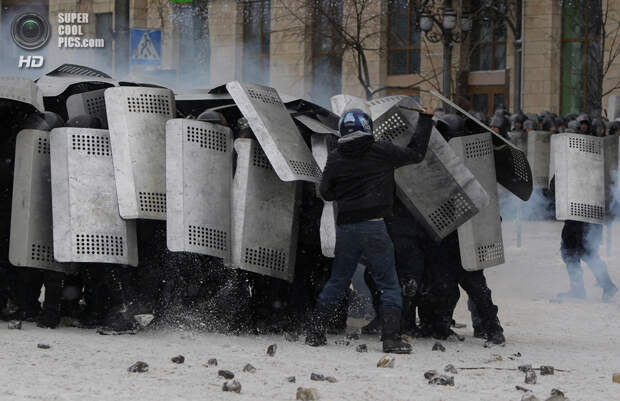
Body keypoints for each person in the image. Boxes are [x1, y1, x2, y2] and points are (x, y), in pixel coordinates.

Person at [305, 107, 433, 354]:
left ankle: (315, 330)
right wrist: (425, 120)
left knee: (338, 280)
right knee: (388, 283)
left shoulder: (336, 156)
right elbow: (416, 154)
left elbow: (326, 192)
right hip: (375, 226)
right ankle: (391, 338)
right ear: (367, 127)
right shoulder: (382, 150)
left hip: (346, 228)